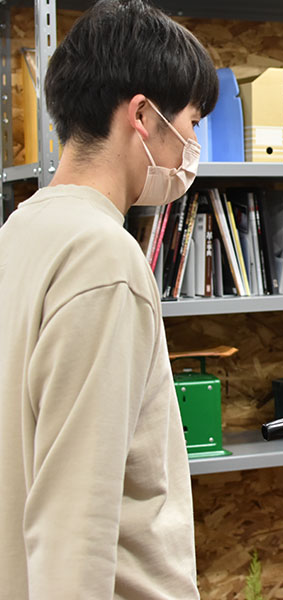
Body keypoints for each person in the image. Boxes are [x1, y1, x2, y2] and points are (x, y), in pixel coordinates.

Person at [0, 1, 218, 597]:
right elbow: (78, 514)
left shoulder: (21, 231)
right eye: (193, 123)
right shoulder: (104, 259)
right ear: (143, 116)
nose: (192, 146)